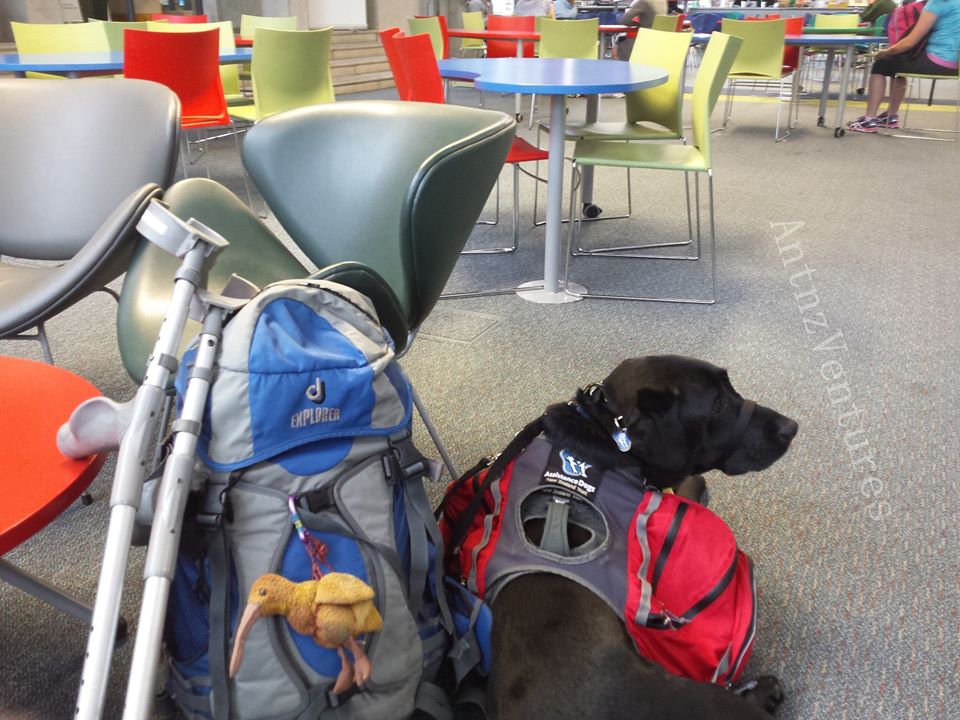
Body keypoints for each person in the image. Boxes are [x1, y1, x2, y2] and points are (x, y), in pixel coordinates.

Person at [848, 0, 960, 133]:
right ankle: (890, 117)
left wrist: (885, 52)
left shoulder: (937, 3)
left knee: (883, 63)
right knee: (897, 63)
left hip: (937, 61)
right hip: (955, 65)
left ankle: (869, 120)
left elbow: (909, 42)